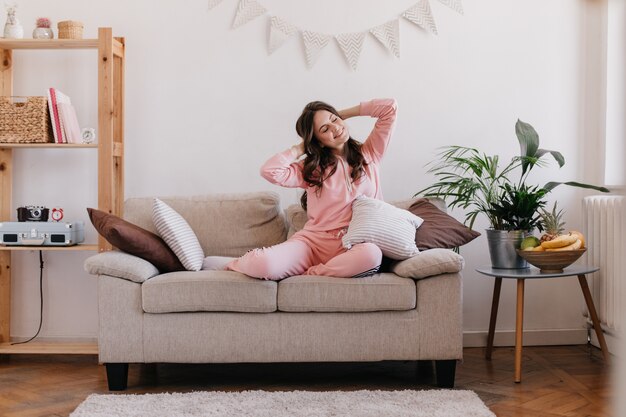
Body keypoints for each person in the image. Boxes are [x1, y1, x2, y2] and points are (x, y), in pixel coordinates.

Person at [224, 98, 397, 280]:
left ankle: (313, 273)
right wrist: (301, 147)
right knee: (263, 264)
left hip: (354, 246)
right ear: (318, 141)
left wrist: (341, 115)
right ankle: (234, 263)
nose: (335, 128)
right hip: (312, 245)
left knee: (372, 255)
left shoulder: (370, 153)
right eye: (324, 129)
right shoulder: (311, 169)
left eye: (334, 120)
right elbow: (269, 171)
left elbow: (389, 108)